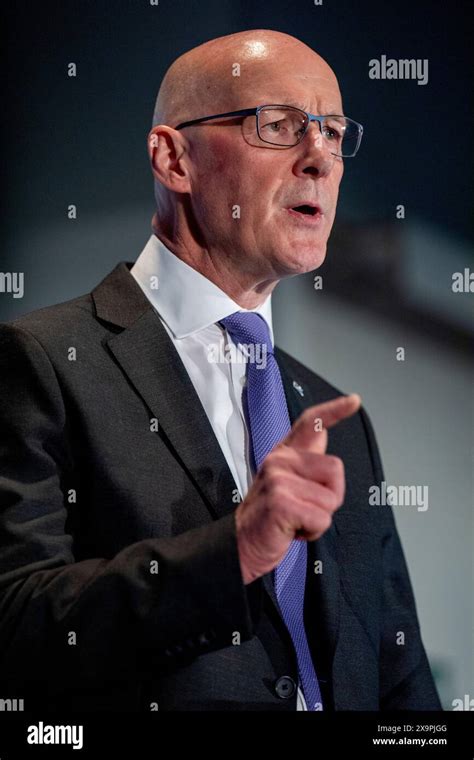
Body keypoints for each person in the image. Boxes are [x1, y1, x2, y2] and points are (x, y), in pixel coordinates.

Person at [0, 29, 441, 711]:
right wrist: (233, 551)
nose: (319, 157)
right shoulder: (45, 362)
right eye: (281, 125)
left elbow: (399, 673)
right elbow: (17, 626)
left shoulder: (334, 420)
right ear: (175, 158)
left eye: (332, 131)